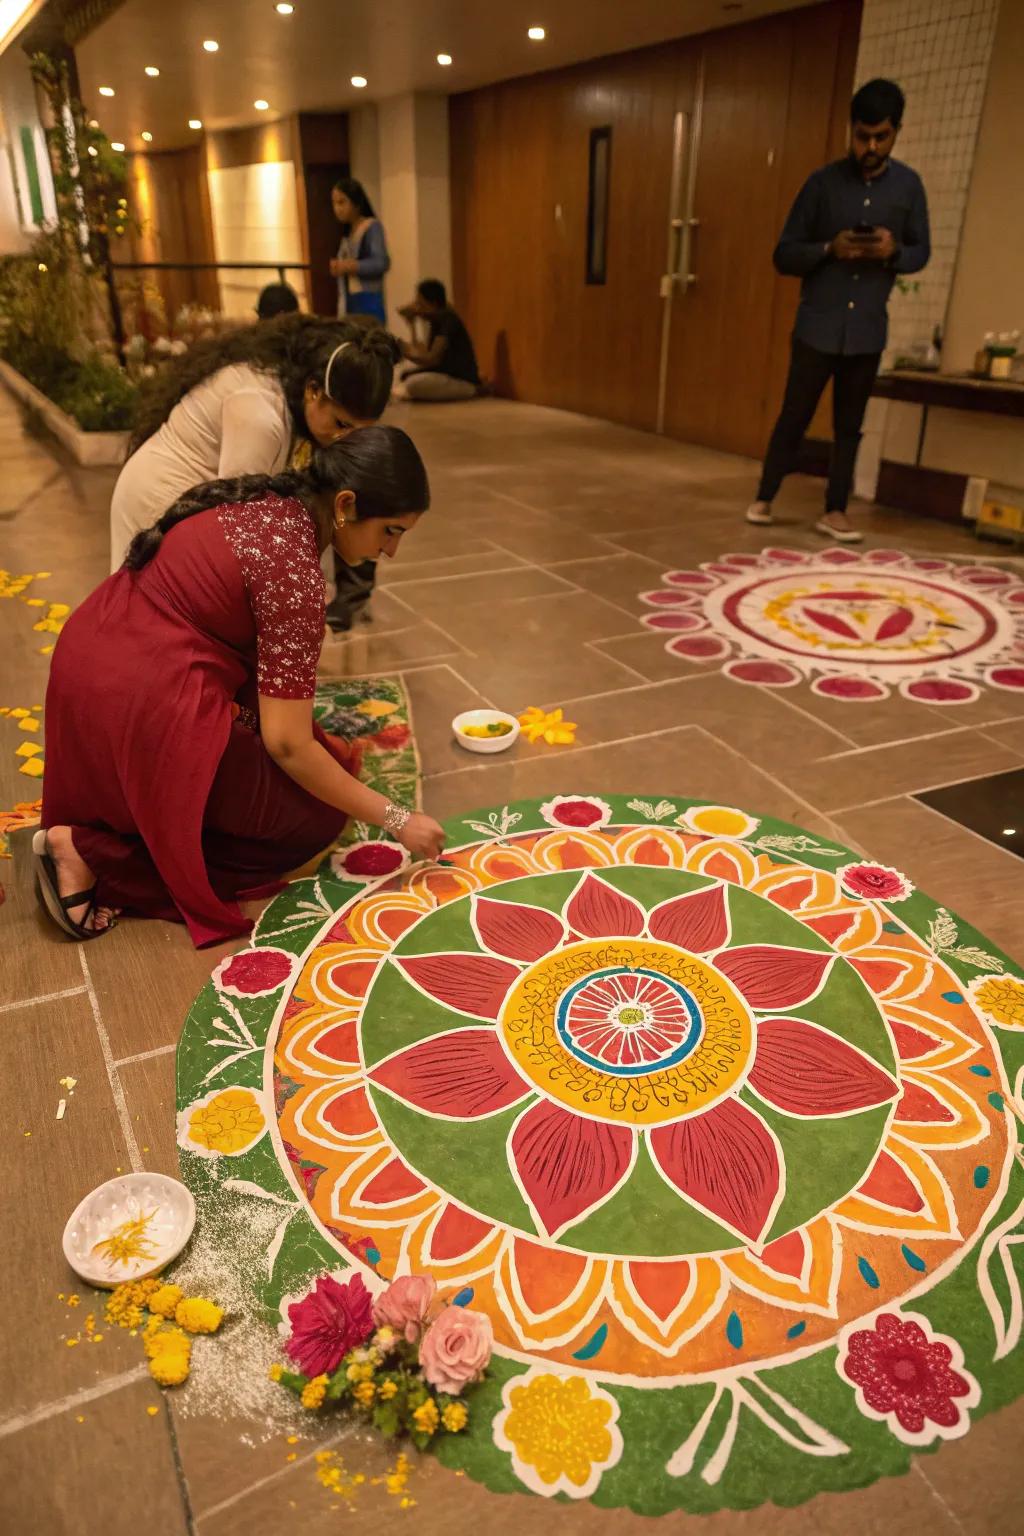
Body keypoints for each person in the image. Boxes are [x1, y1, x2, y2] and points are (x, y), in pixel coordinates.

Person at [36, 427, 446, 947]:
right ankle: (94, 855)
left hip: (92, 658)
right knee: (315, 821)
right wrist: (398, 818)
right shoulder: (295, 571)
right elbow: (286, 743)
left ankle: (120, 827)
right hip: (143, 700)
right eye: (390, 531)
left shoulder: (266, 500)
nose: (390, 551)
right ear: (345, 504)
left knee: (325, 764)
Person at [746, 78, 929, 543]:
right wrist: (831, 247)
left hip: (867, 328)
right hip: (818, 324)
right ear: (851, 129)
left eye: (880, 137)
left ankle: (836, 510)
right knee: (795, 413)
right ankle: (765, 496)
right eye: (862, 135)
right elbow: (784, 254)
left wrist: (891, 251)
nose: (870, 146)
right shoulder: (822, 184)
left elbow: (921, 252)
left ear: (896, 132)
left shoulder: (909, 187)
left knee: (850, 425)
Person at [108, 315, 395, 571]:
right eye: (341, 424)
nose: (346, 439)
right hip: (159, 499)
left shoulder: (288, 390)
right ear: (313, 391)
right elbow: (241, 532)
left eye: (360, 432)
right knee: (163, 613)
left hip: (187, 504)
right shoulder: (261, 417)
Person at [395, 280, 480, 402]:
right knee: (405, 375)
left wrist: (405, 352)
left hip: (461, 381)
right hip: (445, 376)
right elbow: (423, 355)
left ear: (433, 304)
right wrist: (412, 324)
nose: (418, 309)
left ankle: (474, 391)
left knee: (412, 384)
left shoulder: (447, 319)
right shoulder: (436, 320)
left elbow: (431, 360)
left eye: (421, 304)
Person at [330, 178, 390, 326]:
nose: (337, 209)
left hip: (369, 300)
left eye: (342, 202)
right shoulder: (347, 233)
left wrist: (351, 266)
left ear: (356, 202)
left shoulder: (372, 227)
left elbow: (381, 262)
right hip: (350, 300)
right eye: (334, 203)